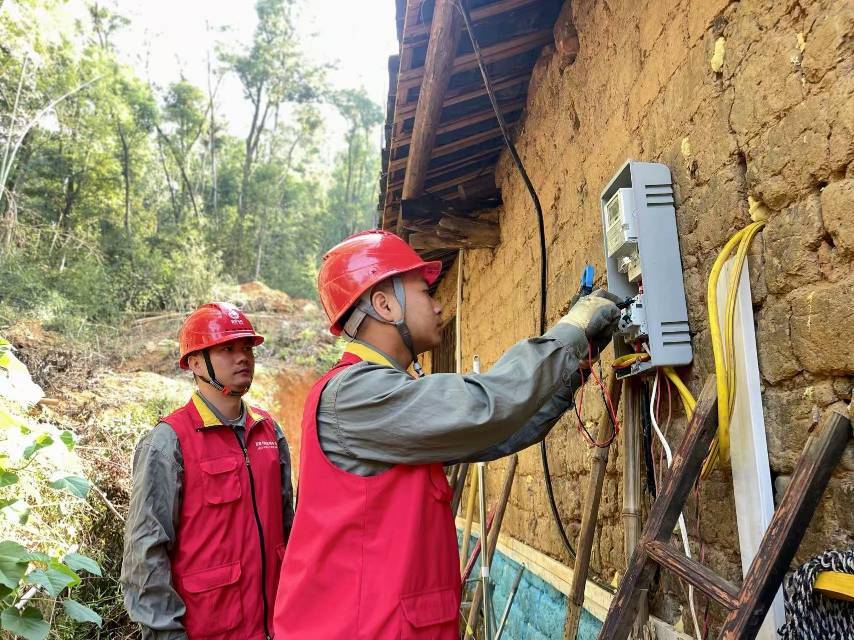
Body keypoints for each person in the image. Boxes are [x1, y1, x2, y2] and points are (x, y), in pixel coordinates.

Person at [273, 230, 620, 639]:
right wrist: (570, 331)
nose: (438, 306)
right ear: (384, 305)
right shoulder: (353, 394)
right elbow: (484, 406)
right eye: (425, 292)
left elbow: (499, 433)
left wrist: (576, 362)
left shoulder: (384, 397)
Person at [121, 302, 294, 640]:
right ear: (196, 362)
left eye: (247, 348)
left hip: (276, 626)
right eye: (227, 349)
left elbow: (290, 528)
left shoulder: (269, 432)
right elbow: (145, 553)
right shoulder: (169, 441)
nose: (243, 357)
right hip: (208, 630)